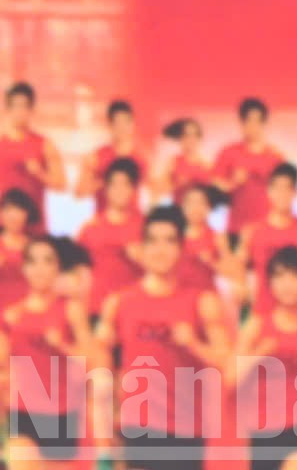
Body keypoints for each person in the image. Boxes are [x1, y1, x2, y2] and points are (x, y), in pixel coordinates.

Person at [93, 204, 232, 470]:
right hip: (136, 425)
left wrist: (194, 343)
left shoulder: (202, 301)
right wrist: (106, 414)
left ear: (181, 249)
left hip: (186, 428)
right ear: (142, 249)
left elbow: (227, 362)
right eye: (153, 241)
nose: (160, 249)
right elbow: (99, 361)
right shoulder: (119, 302)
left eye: (169, 241)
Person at [232, 246, 297, 469]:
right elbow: (230, 379)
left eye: (295, 275)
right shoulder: (256, 327)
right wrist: (259, 354)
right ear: (270, 283)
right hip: (264, 430)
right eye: (279, 276)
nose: (287, 284)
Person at [1, 235, 96, 468]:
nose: (40, 269)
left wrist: (62, 345)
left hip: (59, 415)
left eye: (47, 261)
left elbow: (93, 361)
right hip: (21, 412)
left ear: (57, 268)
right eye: (33, 262)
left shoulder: (71, 309)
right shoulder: (12, 315)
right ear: (24, 268)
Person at [240, 163, 297, 312]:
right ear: (269, 191)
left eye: (288, 188)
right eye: (277, 188)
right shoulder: (252, 232)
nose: (282, 194)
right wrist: (241, 286)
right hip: (264, 314)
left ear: (295, 192)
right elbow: (237, 269)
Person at [75, 157, 145, 317]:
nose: (119, 190)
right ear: (105, 189)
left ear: (133, 190)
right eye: (114, 185)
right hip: (97, 309)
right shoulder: (90, 228)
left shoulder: (147, 226)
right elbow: (78, 275)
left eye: (125, 185)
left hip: (134, 311)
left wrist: (141, 257)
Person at [215, 97, 285, 249]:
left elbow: (286, 193)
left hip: (268, 227)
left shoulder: (275, 157)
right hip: (236, 227)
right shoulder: (228, 152)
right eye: (248, 121)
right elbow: (215, 188)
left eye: (257, 121)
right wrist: (233, 182)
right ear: (241, 123)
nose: (252, 126)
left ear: (264, 124)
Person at [0, 83, 64, 225]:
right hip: (3, 225)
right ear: (7, 109)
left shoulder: (44, 144)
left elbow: (61, 185)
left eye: (24, 106)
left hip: (34, 223)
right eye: (16, 106)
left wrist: (39, 172)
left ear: (31, 110)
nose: (20, 111)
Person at [74, 98, 146, 212]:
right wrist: (105, 182)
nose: (122, 128)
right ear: (110, 125)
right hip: (104, 220)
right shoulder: (97, 157)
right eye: (117, 123)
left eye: (126, 122)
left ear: (132, 124)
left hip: (133, 221)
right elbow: (79, 192)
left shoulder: (141, 158)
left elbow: (156, 189)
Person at [156, 117, 215, 200]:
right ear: (180, 138)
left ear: (199, 138)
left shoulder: (207, 164)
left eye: (195, 135)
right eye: (187, 135)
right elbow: (159, 189)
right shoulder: (173, 162)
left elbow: (214, 191)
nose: (191, 139)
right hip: (178, 208)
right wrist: (178, 186)